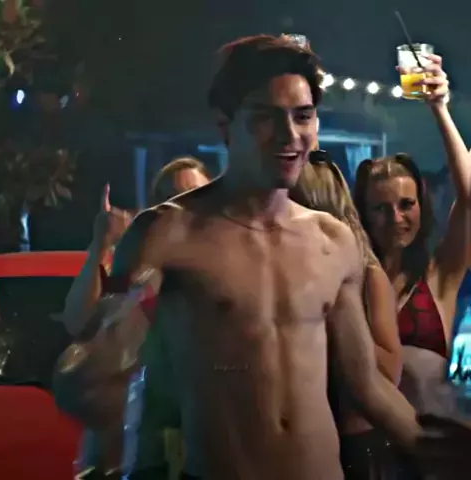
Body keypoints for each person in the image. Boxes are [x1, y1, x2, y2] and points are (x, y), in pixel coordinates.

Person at [57, 35, 422, 480]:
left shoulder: (333, 240)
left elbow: (367, 386)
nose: (290, 135)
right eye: (266, 117)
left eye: (303, 116)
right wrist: (97, 366)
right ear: (225, 124)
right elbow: (98, 363)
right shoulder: (168, 235)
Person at [353, 54, 470, 477]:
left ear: (422, 205)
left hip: (435, 454)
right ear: (363, 213)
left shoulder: (439, 276)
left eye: (406, 204)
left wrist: (439, 109)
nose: (396, 218)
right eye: (381, 208)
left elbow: (470, 195)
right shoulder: (351, 281)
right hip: (369, 457)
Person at [58, 157, 211, 480]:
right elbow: (77, 320)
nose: (182, 208)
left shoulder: (221, 267)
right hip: (133, 442)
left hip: (199, 436)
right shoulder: (137, 265)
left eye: (194, 196)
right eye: (171, 198)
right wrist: (100, 245)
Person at [290, 152, 402, 479]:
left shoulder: (368, 276)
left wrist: (337, 320)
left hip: (356, 445)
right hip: (303, 446)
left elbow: (389, 371)